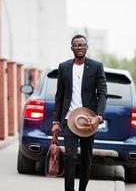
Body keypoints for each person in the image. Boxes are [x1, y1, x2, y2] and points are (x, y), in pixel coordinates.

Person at [51, 34, 107, 191]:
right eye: (76, 45)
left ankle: (82, 189)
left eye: (82, 45)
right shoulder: (64, 67)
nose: (80, 48)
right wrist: (56, 122)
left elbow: (102, 93)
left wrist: (99, 116)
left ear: (87, 47)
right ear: (72, 48)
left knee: (86, 159)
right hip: (69, 120)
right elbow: (59, 96)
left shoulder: (96, 66)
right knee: (69, 157)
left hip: (88, 121)